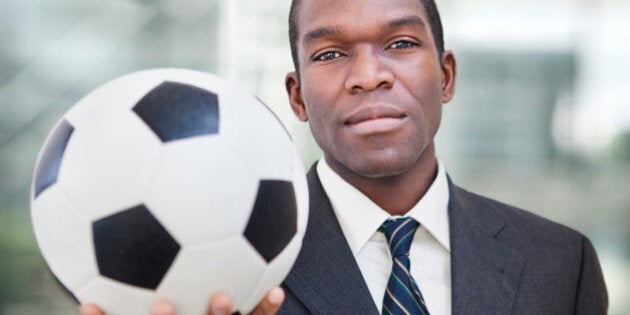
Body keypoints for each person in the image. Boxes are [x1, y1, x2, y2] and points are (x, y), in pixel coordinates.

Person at [81, 0, 608, 314]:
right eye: (330, 54)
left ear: (445, 76)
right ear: (297, 96)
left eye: (400, 43)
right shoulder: (217, 266)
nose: (368, 75)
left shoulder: (560, 262)